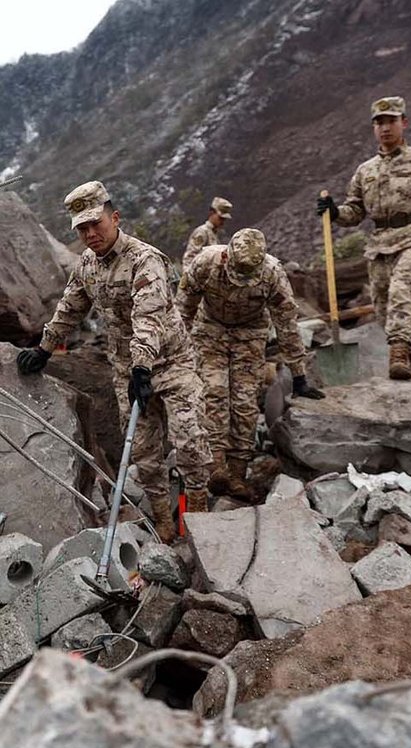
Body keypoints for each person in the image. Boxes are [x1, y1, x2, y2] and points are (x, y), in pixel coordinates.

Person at [17, 180, 211, 543]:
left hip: (171, 363)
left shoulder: (145, 260)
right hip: (128, 369)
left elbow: (148, 319)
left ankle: (198, 518)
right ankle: (164, 523)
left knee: (190, 442)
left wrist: (143, 367)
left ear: (115, 218)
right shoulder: (87, 266)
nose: (91, 234)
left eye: (96, 224)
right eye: (82, 228)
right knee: (144, 451)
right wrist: (44, 349)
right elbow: (69, 308)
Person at [317, 96, 411, 381]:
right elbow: (355, 211)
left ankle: (398, 355)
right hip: (379, 244)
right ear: (374, 128)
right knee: (384, 311)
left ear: (404, 123)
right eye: (379, 123)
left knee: (400, 291)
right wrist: (334, 211)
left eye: (391, 121)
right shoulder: (365, 170)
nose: (385, 128)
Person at [176, 227, 323, 500]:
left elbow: (287, 325)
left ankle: (237, 475)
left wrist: (299, 376)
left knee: (244, 403)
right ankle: (216, 467)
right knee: (213, 392)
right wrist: (174, 355)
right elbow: (183, 311)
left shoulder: (273, 275)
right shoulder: (204, 263)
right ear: (226, 258)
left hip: (250, 334)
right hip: (210, 331)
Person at [182, 196, 233, 272]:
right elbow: (190, 258)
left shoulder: (214, 234)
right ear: (212, 213)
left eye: (224, 219)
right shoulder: (202, 232)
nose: (222, 222)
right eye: (220, 218)